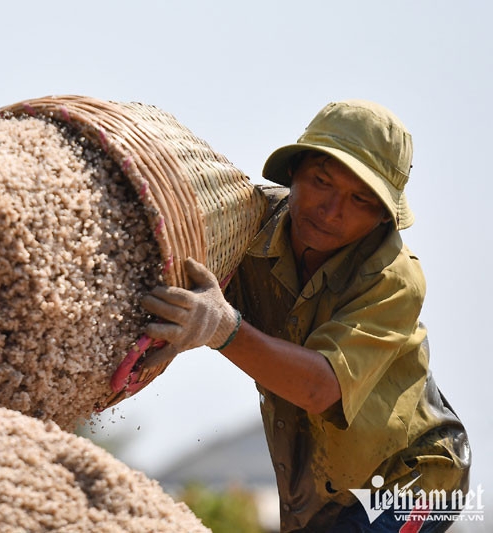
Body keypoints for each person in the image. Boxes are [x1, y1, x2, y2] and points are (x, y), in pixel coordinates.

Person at [138, 100, 471, 532]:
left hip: (413, 480)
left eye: (360, 200)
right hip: (319, 488)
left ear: (380, 216)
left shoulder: (392, 278)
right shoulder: (248, 222)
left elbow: (320, 387)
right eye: (321, 182)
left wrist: (222, 329)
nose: (331, 211)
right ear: (294, 172)